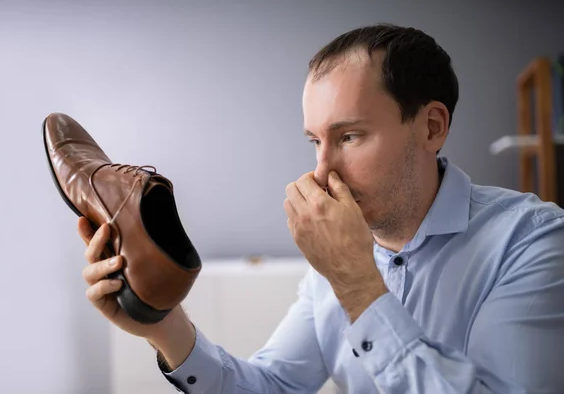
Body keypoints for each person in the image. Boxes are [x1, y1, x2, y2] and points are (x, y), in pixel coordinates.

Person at [78, 23, 564, 393]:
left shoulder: (533, 241)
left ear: (432, 127)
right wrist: (164, 326)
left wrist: (356, 283)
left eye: (350, 136)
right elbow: (271, 385)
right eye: (315, 140)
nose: (321, 171)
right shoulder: (336, 262)